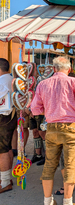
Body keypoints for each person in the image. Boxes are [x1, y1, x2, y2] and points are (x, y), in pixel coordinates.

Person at [31, 56, 75, 205]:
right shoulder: (73, 82)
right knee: (70, 166)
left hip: (51, 128)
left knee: (49, 165)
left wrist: (50, 109)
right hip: (70, 128)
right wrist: (74, 107)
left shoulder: (43, 84)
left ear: (54, 69)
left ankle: (48, 201)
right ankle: (68, 202)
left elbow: (35, 109)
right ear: (69, 69)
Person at [0, 58, 16, 194]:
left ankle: (5, 182)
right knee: (8, 148)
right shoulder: (12, 80)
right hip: (11, 116)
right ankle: (7, 178)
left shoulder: (2, 81)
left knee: (2, 150)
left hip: (3, 117)